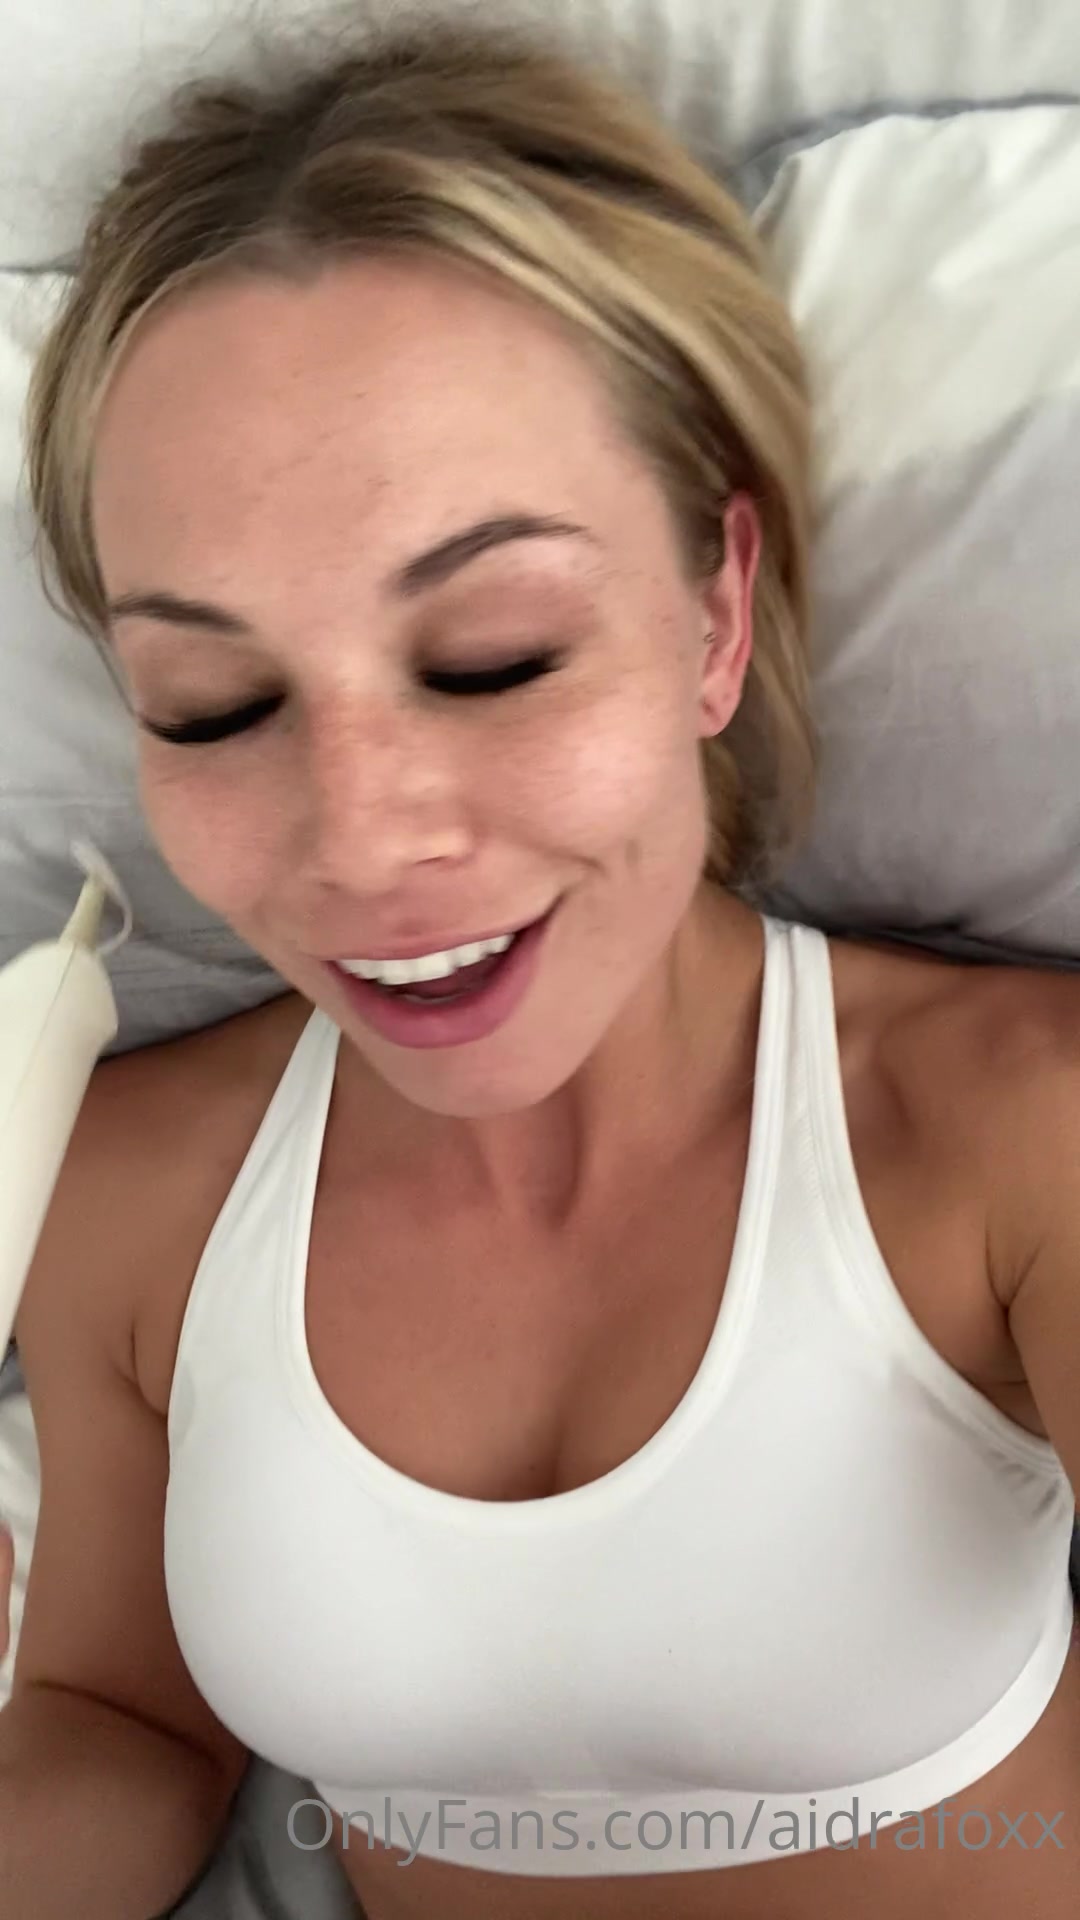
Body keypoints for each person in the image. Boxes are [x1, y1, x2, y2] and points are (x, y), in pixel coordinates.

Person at [1, 19, 1078, 1920]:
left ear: (714, 614)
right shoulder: (135, 1199)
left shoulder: (1011, 1139)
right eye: (216, 701)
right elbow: (118, 1717)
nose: (359, 843)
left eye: (494, 655)